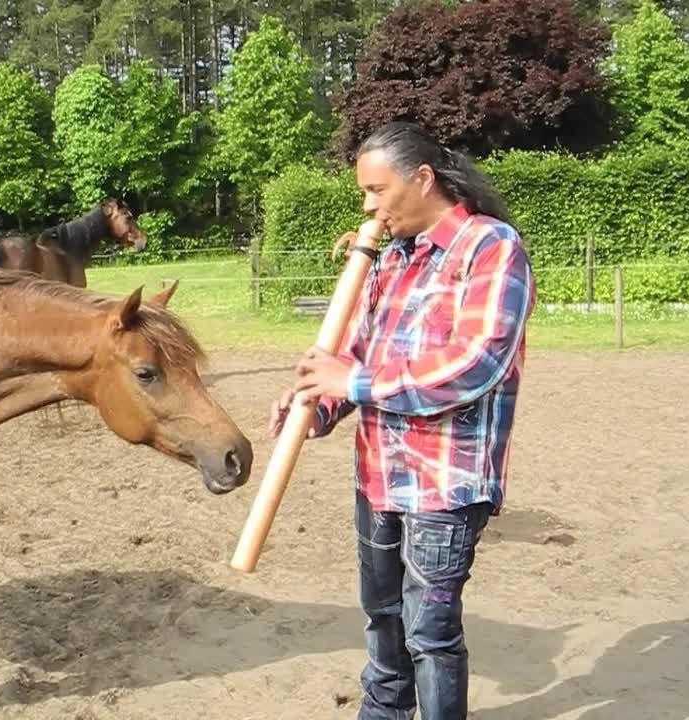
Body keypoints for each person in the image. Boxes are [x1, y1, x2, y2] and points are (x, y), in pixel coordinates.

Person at [268, 121, 535, 720]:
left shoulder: (491, 248)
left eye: (377, 190)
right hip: (378, 477)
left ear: (422, 179)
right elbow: (358, 354)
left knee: (430, 635)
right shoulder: (390, 260)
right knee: (381, 622)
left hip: (445, 485)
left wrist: (352, 382)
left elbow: (476, 362)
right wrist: (317, 406)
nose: (368, 206)